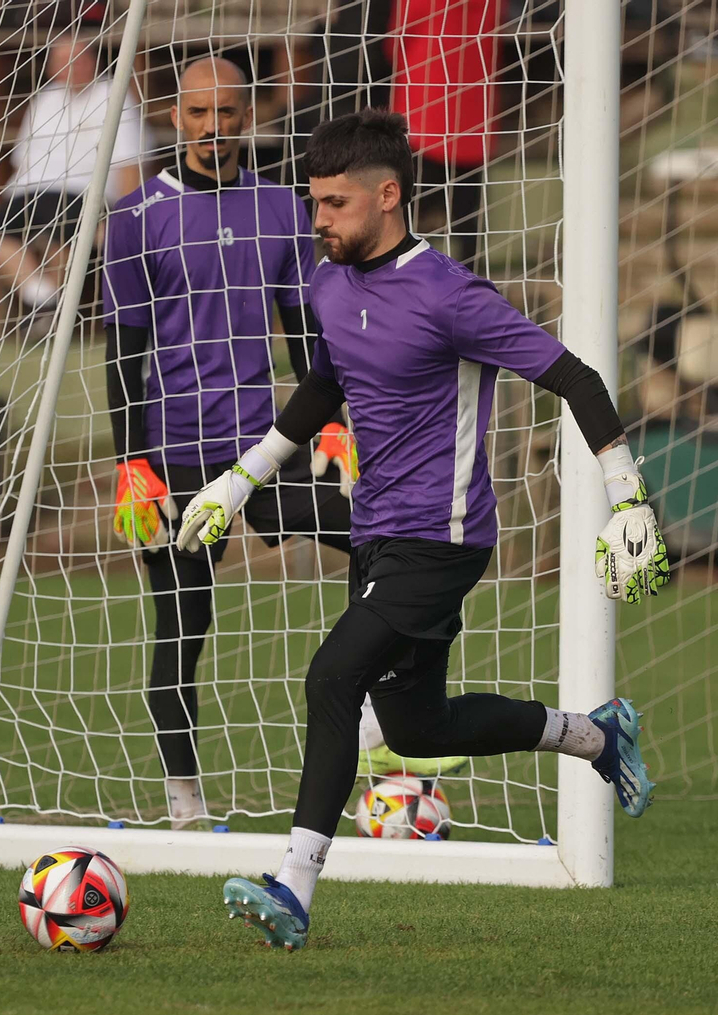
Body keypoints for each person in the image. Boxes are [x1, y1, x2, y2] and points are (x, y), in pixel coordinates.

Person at [173, 110, 670, 950]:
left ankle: (293, 887)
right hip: (377, 530)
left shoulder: (450, 293)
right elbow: (321, 389)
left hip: (444, 541)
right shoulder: (328, 284)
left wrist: (631, 497)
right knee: (416, 727)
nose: (318, 219)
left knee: (333, 677)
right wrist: (239, 477)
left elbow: (576, 378)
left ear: (388, 196)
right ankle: (595, 733)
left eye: (334, 203)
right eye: (313, 202)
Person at [101, 59, 457, 832]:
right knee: (181, 625)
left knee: (372, 536)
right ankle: (185, 801)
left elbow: (308, 331)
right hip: (173, 458)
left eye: (227, 112)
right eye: (198, 113)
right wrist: (131, 462)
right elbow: (121, 355)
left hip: (266, 447)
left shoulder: (285, 211)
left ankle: (375, 709)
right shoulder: (132, 220)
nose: (212, 127)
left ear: (247, 115)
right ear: (177, 115)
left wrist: (333, 421)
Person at [0, 34, 147, 337]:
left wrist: (126, 219)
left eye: (79, 59)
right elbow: (22, 163)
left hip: (85, 193)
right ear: (51, 67)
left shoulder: (115, 96)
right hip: (31, 192)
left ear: (94, 61)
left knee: (58, 242)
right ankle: (44, 300)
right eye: (62, 60)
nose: (71, 67)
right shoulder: (44, 99)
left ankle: (49, 319)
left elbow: (129, 166)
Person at [390, 0, 497, 268]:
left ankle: (400, 277)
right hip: (473, 108)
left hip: (426, 103)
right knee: (468, 218)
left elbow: (397, 37)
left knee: (406, 212)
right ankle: (469, 284)